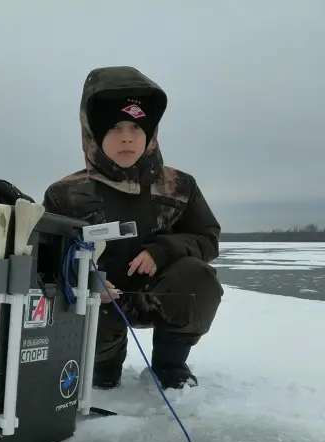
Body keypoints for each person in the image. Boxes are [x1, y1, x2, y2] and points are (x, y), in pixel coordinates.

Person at [42, 66, 223, 390]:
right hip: (98, 301)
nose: (126, 136)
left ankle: (170, 366)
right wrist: (84, 281)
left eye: (136, 127)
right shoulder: (64, 193)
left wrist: (163, 249)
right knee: (102, 380)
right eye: (114, 127)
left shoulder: (179, 186)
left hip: (156, 294)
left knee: (197, 278)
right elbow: (46, 257)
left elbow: (207, 239)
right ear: (94, 133)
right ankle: (102, 366)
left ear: (150, 133)